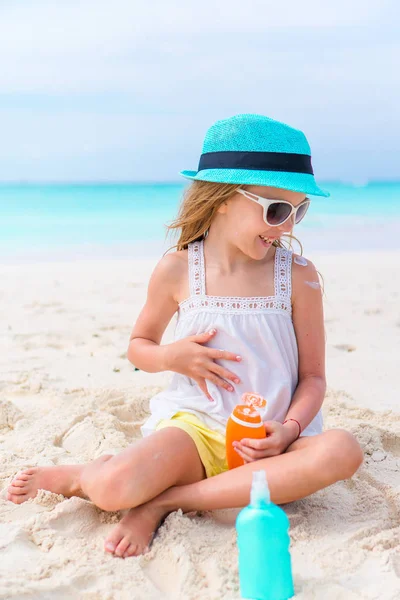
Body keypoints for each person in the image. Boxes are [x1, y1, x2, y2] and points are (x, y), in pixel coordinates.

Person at [7, 114, 364, 559]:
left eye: (299, 211)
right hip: (195, 431)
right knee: (115, 487)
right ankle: (80, 475)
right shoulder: (179, 270)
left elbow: (313, 378)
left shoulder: (298, 277)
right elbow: (139, 345)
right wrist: (172, 357)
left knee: (343, 451)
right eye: (276, 209)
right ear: (222, 200)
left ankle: (166, 501)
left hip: (274, 445)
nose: (287, 227)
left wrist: (288, 429)